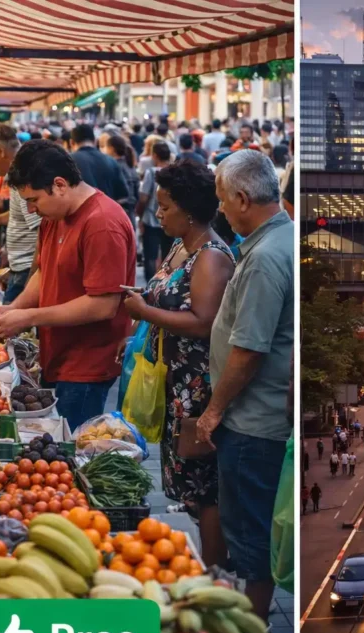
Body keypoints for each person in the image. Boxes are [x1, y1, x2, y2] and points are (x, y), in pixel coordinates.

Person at [119, 159, 235, 569]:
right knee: (187, 483)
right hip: (173, 383)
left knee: (205, 488)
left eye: (165, 206)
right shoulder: (179, 245)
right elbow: (165, 298)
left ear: (188, 209)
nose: (159, 213)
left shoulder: (211, 257)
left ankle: (216, 571)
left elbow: (203, 323)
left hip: (197, 387)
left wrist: (146, 312)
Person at [194, 150, 293, 620]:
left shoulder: (265, 259)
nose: (220, 211)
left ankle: (251, 632)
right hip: (258, 419)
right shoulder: (273, 244)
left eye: (221, 199)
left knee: (249, 532)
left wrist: (213, 411)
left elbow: (249, 349)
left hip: (253, 425)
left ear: (240, 197)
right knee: (250, 526)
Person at [0, 140, 135, 431]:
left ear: (60, 184)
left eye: (34, 199)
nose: (30, 209)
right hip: (59, 353)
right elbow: (45, 272)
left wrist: (29, 317)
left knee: (72, 446)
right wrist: (14, 308)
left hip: (87, 364)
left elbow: (102, 305)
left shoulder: (102, 223)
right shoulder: (54, 217)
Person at [0, 124, 43, 306]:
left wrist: (31, 283)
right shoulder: (16, 173)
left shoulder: (24, 175)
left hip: (26, 271)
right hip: (19, 267)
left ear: (0, 151)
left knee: (8, 326)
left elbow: (42, 231)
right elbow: (19, 214)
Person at [136, 141, 174, 281]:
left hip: (151, 219)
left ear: (155, 156)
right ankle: (166, 282)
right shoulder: (174, 172)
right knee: (168, 255)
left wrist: (139, 215)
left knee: (150, 256)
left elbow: (143, 198)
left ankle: (150, 287)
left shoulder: (151, 173)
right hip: (171, 219)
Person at [69, 125, 131, 209]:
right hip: (108, 216)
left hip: (79, 218)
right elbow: (123, 195)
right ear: (95, 141)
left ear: (71, 142)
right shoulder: (111, 161)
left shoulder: (68, 161)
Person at [101, 134, 140, 222]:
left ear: (111, 148)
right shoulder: (130, 165)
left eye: (105, 147)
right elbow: (137, 192)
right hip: (130, 210)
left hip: (118, 211)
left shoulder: (113, 166)